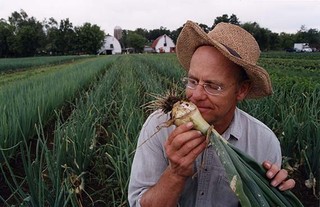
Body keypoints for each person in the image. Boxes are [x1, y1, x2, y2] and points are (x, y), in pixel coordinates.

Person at [128, 20, 296, 207]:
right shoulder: (158, 126)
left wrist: (272, 195)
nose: (196, 95)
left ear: (241, 90)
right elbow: (138, 203)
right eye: (192, 81)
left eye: (213, 86)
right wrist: (175, 174)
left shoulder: (264, 142)